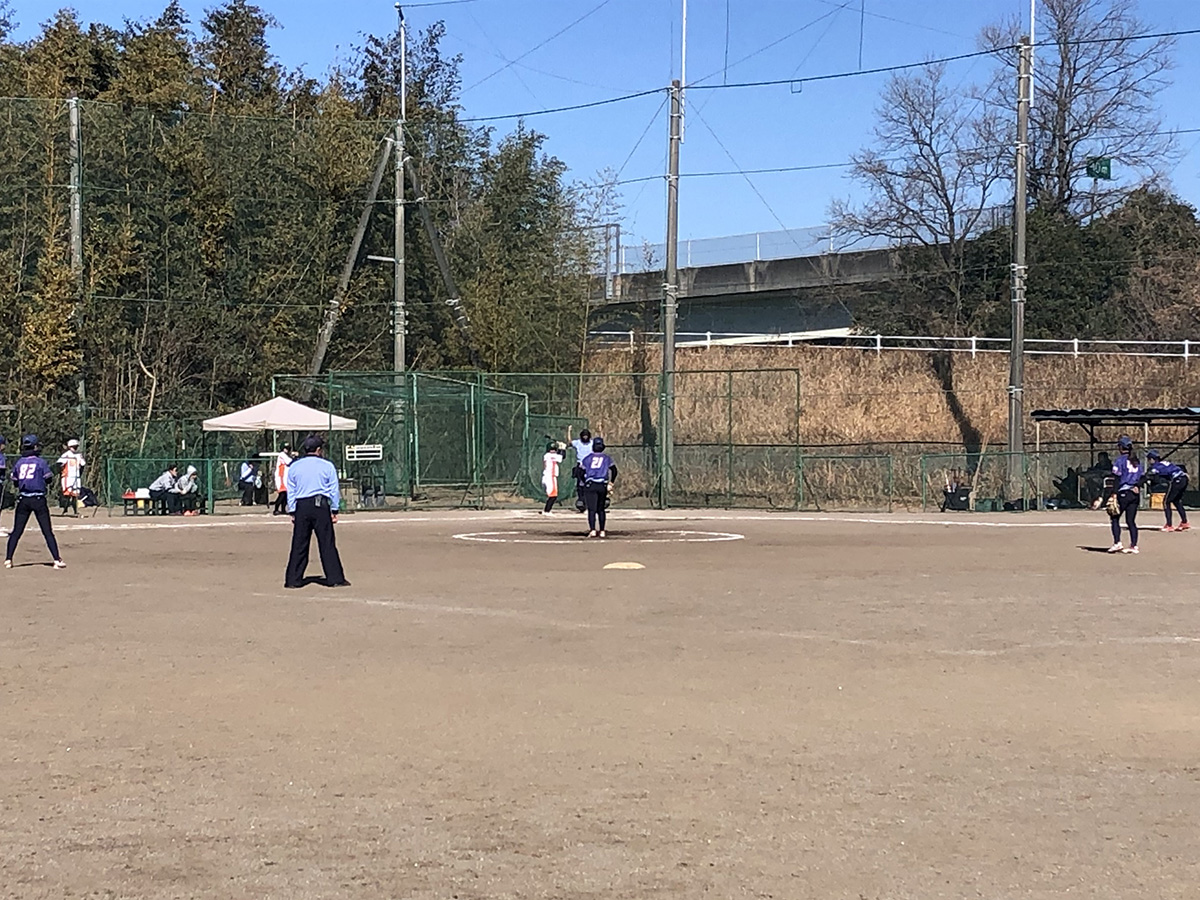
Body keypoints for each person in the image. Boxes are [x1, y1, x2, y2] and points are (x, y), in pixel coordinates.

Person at [284, 435, 349, 588]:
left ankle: (293, 579)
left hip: (302, 506)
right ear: (319, 450)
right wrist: (334, 509)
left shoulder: (295, 466)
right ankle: (335, 578)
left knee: (299, 543)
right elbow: (333, 489)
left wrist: (292, 510)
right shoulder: (327, 466)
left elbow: (291, 491)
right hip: (320, 505)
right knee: (327, 543)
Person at [5, 435, 66, 569]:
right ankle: (56, 559)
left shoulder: (20, 462)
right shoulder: (40, 462)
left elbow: (15, 482)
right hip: (38, 499)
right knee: (47, 531)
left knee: (16, 531)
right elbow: (48, 479)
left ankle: (8, 559)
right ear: (35, 447)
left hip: (23, 499)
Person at [1097, 435, 1143, 554]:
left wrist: (1113, 493)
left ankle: (1117, 543)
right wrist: (1137, 486)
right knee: (1131, 521)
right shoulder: (1136, 461)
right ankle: (1134, 545)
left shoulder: (1120, 460)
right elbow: (1142, 477)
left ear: (1121, 447)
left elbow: (1116, 478)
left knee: (1114, 517)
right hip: (1134, 494)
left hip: (1124, 492)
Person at [577, 436, 617, 539]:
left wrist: (584, 481)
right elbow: (614, 470)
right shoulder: (607, 458)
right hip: (602, 485)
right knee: (601, 509)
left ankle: (593, 530)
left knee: (592, 509)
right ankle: (602, 531)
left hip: (591, 484)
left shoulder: (587, 458)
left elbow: (580, 471)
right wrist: (611, 482)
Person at [1146, 449, 1189, 532]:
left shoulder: (1156, 467)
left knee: (1166, 502)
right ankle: (1184, 522)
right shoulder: (1164, 463)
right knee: (1176, 500)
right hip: (1184, 478)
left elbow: (1153, 477)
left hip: (1177, 480)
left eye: (1149, 459)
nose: (1149, 461)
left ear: (1152, 459)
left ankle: (1169, 525)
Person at [57, 438, 86, 516]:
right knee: (67, 494)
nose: (75, 448)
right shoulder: (66, 455)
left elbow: (83, 465)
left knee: (75, 495)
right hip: (68, 477)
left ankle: (75, 511)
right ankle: (65, 510)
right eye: (73, 446)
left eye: (76, 446)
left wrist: (79, 474)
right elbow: (59, 464)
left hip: (76, 477)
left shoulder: (79, 455)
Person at [570, 428, 593, 512]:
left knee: (590, 485)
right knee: (580, 485)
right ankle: (581, 501)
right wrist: (569, 431)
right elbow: (570, 441)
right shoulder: (578, 442)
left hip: (590, 467)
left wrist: (600, 430)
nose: (585, 437)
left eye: (586, 436)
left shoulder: (592, 443)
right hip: (580, 466)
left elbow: (600, 441)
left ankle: (589, 503)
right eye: (584, 436)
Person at [541, 441, 564, 514]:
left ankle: (547, 510)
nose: (553, 451)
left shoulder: (548, 455)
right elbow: (562, 457)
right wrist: (562, 448)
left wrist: (560, 449)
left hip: (550, 476)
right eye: (552, 450)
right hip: (550, 477)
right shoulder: (549, 455)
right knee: (553, 495)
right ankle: (547, 511)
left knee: (553, 495)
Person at [273, 444, 292, 516]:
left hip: (285, 477)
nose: (287, 450)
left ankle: (283, 509)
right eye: (285, 448)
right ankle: (276, 509)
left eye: (288, 448)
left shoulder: (287, 456)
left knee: (286, 494)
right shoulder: (282, 454)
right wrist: (295, 457)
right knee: (282, 493)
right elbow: (289, 462)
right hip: (281, 476)